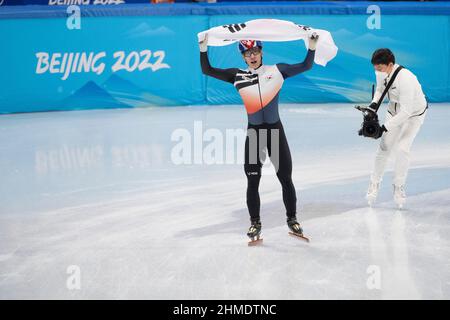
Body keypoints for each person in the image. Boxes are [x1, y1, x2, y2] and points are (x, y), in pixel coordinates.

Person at [198, 33, 318, 241]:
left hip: (275, 133)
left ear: (261, 52)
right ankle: (255, 223)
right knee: (253, 182)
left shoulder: (277, 71)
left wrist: (312, 46)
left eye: (255, 51)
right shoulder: (237, 75)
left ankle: (292, 219)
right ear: (243, 57)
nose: (252, 56)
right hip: (254, 135)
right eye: (247, 53)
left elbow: (306, 65)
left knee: (285, 179)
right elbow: (207, 70)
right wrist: (203, 48)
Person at [365, 48, 428, 208]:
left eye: (379, 68)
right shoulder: (381, 71)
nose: (376, 71)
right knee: (384, 147)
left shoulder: (406, 79)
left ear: (390, 64)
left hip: (413, 115)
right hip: (393, 111)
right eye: (375, 68)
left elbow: (406, 111)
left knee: (402, 148)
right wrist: (373, 105)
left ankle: (398, 186)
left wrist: (383, 127)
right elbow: (380, 89)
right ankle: (374, 183)